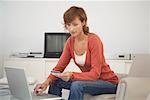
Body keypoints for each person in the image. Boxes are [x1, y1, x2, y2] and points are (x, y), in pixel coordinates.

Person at [34, 6, 119, 100]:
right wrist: (45, 83)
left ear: (83, 22)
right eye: (68, 25)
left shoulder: (94, 40)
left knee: (77, 85)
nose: (71, 29)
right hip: (90, 81)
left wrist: (72, 75)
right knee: (55, 81)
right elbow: (59, 68)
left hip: (108, 83)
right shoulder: (70, 42)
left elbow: (95, 74)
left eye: (75, 24)